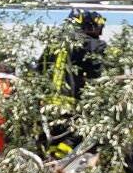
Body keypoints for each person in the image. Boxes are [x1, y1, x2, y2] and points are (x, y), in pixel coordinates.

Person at [37, 10, 107, 158]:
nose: (99, 33)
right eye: (98, 27)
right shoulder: (85, 43)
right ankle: (59, 164)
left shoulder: (53, 44)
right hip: (68, 103)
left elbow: (38, 69)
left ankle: (49, 164)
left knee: (51, 140)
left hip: (46, 104)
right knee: (79, 134)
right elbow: (97, 72)